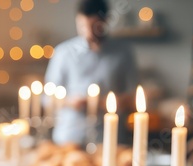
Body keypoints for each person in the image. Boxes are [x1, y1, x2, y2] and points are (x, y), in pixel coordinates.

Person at [44, 0, 138, 146]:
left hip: (109, 139)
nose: (88, 33)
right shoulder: (63, 52)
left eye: (94, 26)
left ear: (106, 21)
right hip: (69, 136)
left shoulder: (123, 53)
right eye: (82, 26)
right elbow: (46, 97)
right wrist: (70, 102)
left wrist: (111, 103)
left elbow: (134, 95)